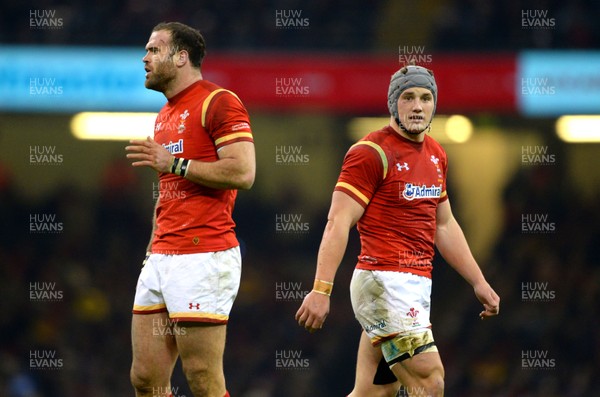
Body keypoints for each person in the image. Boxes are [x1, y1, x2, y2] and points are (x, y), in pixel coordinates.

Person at [295, 64, 500, 396]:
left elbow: (444, 224)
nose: (418, 106)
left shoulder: (436, 154)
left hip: (414, 287)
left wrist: (478, 281)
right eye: (408, 97)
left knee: (373, 393)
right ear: (393, 103)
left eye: (425, 97)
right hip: (384, 285)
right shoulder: (370, 152)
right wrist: (321, 289)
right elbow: (337, 222)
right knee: (430, 381)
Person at [125, 22, 255, 397]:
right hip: (163, 256)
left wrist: (175, 163)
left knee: (202, 377)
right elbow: (168, 188)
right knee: (146, 378)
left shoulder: (219, 101)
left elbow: (244, 171)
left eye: (153, 49)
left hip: (204, 254)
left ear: (181, 57)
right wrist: (153, 246)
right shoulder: (165, 114)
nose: (144, 57)